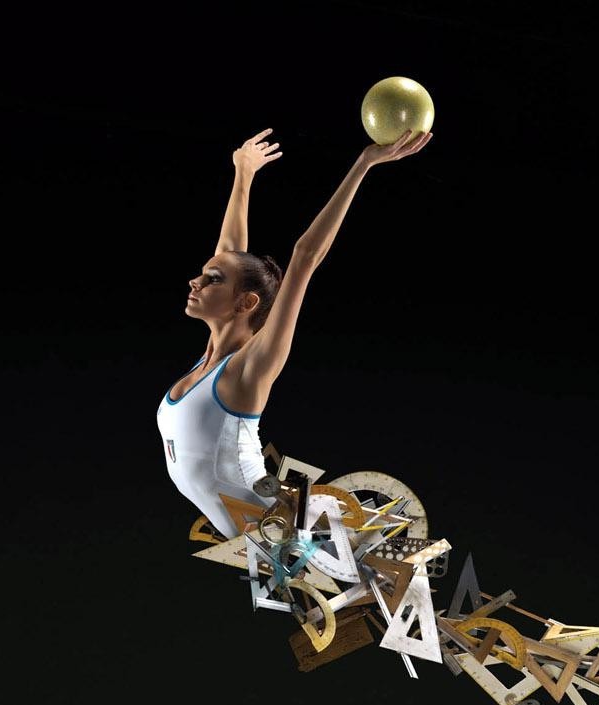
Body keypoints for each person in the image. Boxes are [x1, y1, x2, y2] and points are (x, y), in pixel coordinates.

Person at [158, 126, 432, 538]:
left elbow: (305, 256)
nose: (194, 282)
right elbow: (230, 250)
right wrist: (243, 173)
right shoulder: (211, 361)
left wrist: (363, 164)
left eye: (210, 279)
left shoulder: (248, 369)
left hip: (289, 539)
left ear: (245, 304)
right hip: (258, 548)